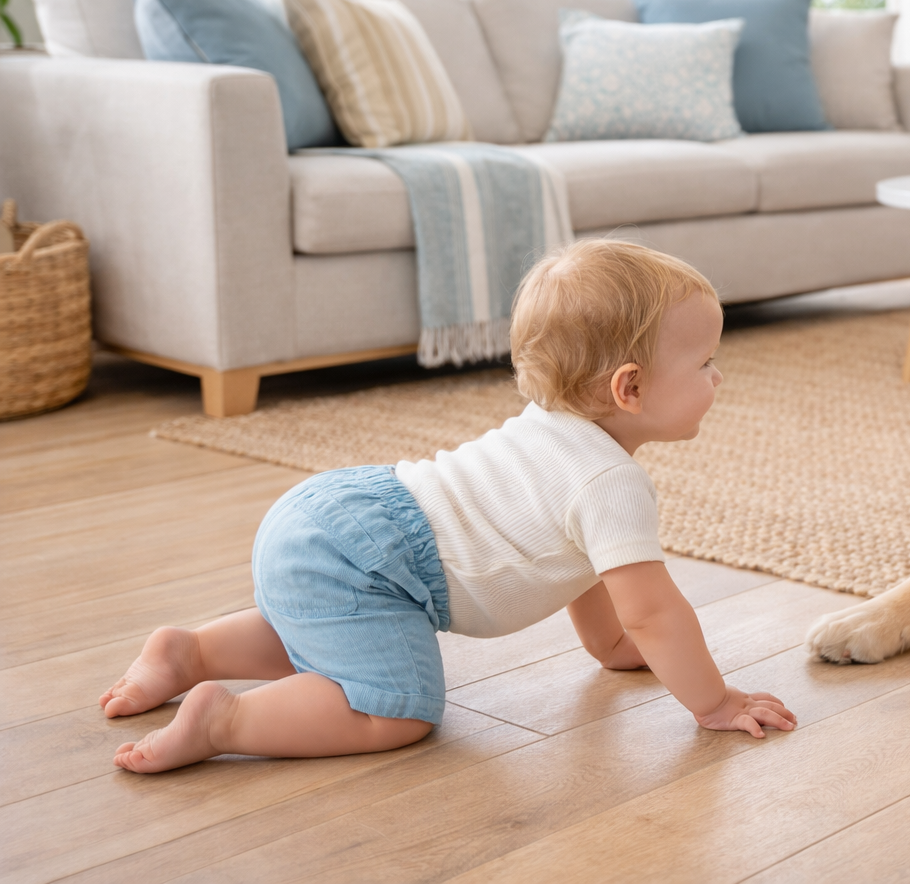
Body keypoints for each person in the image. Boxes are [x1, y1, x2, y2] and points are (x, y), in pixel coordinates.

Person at [101, 239, 796, 773]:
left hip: (330, 513)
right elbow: (652, 610)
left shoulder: (550, 433)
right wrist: (715, 702)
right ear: (630, 389)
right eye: (704, 361)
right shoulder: (610, 485)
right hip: (375, 558)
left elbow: (590, 579)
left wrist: (615, 648)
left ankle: (189, 651)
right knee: (396, 710)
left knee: (340, 630)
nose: (718, 375)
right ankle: (226, 722)